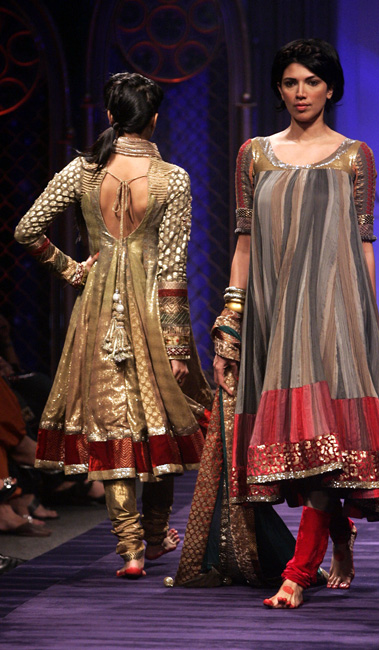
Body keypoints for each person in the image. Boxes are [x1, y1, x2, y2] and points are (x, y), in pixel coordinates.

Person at [209, 39, 379, 608]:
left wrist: (366, 320)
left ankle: (298, 573)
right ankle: (340, 536)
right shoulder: (255, 154)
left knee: (325, 431)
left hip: (335, 313)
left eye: (312, 82)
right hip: (274, 313)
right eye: (290, 82)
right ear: (278, 89)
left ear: (331, 89)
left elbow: (364, 242)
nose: (300, 92)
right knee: (299, 438)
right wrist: (231, 321)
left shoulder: (355, 156)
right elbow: (244, 243)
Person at [15, 72, 212, 578]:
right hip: (152, 314)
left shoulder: (83, 171)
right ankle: (154, 535)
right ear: (155, 119)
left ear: (109, 115)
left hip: (97, 311)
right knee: (160, 425)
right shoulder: (172, 178)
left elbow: (26, 230)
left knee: (110, 425)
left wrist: (73, 270)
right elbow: (172, 269)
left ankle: (131, 549)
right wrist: (176, 344)